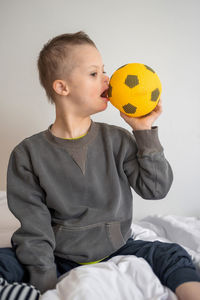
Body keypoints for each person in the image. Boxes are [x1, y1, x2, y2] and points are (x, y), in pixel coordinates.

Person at [1, 31, 200, 300]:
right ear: (62, 87)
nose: (108, 78)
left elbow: (156, 189)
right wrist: (46, 282)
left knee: (173, 254)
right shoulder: (27, 154)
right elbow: (35, 228)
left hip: (117, 247)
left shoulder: (118, 139)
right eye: (94, 73)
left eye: (104, 70)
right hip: (59, 255)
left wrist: (144, 132)